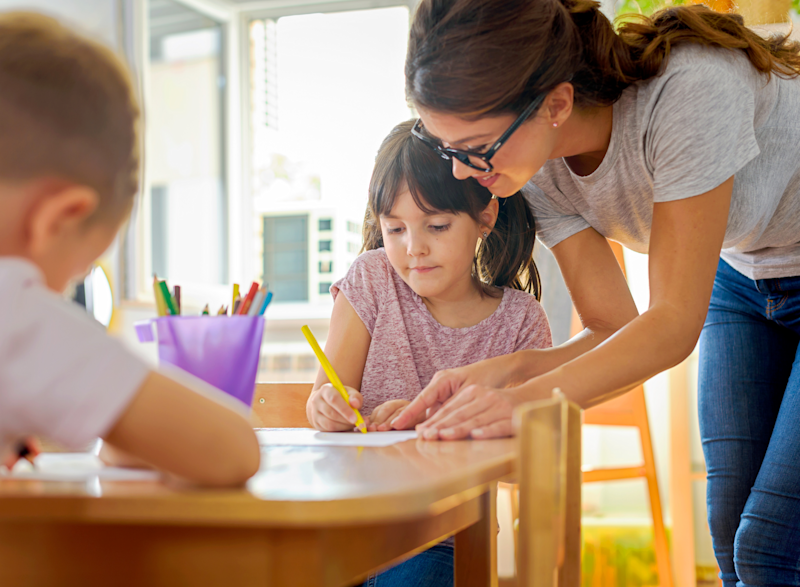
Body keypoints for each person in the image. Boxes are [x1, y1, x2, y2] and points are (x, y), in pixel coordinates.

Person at [390, 0, 800, 584]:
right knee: (733, 540)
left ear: (556, 103)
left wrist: (524, 402)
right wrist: (508, 373)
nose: (460, 172)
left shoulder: (690, 89)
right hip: (744, 273)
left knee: (769, 547)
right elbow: (614, 325)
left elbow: (671, 325)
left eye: (476, 146)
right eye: (447, 148)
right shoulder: (537, 170)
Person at [0, 12, 260, 487]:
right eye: (77, 271)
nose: (61, 292)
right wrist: (122, 424)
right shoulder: (16, 314)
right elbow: (232, 450)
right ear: (57, 219)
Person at [306, 120, 551, 586]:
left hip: (445, 534)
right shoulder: (372, 279)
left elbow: (527, 465)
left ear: (485, 217)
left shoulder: (520, 322)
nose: (413, 249)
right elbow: (325, 401)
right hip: (345, 522)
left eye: (436, 225)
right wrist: (327, 408)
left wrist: (435, 424)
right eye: (394, 228)